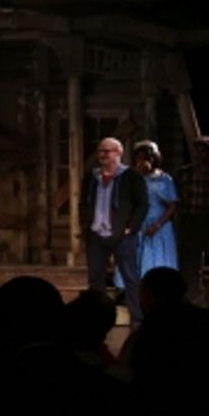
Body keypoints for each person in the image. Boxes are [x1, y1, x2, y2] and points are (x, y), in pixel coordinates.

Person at [80, 137, 148, 327]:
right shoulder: (91, 177)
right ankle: (96, 320)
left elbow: (142, 204)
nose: (102, 155)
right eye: (100, 151)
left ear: (119, 153)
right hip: (96, 234)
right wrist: (85, 225)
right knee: (96, 280)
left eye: (107, 151)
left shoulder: (131, 176)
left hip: (122, 235)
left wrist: (131, 227)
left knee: (130, 279)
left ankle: (138, 320)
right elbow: (83, 203)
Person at [115, 142, 178, 292]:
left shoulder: (164, 179)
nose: (142, 162)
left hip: (159, 224)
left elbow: (173, 205)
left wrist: (158, 224)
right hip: (138, 223)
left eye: (146, 158)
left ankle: (160, 290)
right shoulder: (132, 178)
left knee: (158, 258)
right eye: (139, 159)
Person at [174, 135, 209, 307]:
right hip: (190, 220)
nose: (200, 154)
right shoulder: (185, 173)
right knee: (189, 265)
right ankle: (193, 302)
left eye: (205, 151)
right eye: (198, 150)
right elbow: (175, 197)